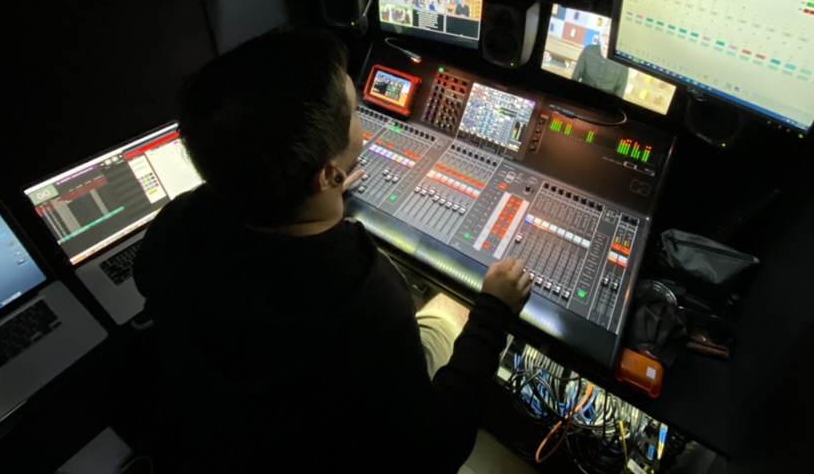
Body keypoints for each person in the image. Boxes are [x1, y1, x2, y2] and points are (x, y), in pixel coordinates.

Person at [134, 27, 532, 473]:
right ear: (327, 175)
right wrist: (492, 313)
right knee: (451, 307)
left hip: (235, 433)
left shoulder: (177, 221)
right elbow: (437, 447)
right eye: (356, 111)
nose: (359, 116)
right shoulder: (368, 302)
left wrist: (313, 193)